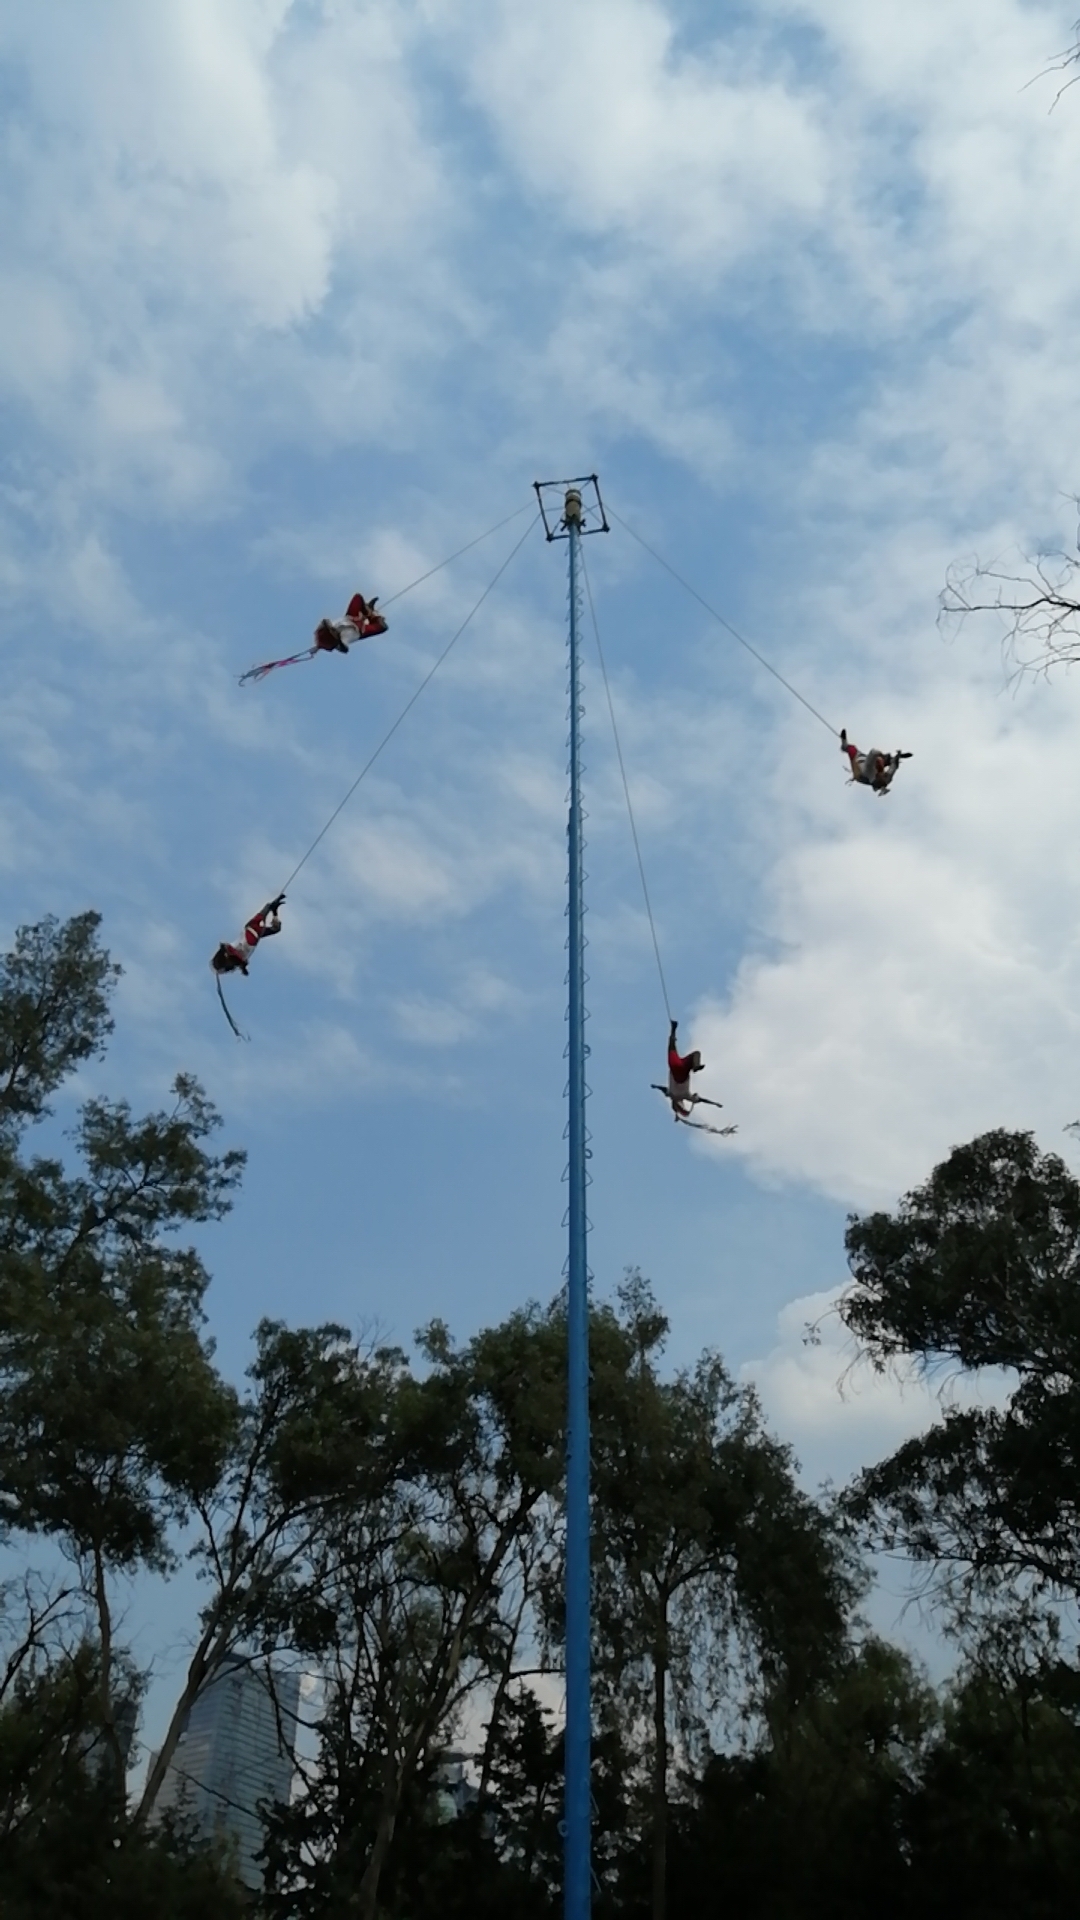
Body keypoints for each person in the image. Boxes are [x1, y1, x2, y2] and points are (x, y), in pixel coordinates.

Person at [211, 895, 285, 976]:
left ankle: (274, 908)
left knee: (265, 919)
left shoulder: (234, 955)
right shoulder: (233, 954)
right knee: (271, 924)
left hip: (251, 937)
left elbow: (235, 957)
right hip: (248, 929)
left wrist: (242, 967)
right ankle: (274, 910)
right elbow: (235, 958)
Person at [313, 592, 388, 656]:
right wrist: (338, 642)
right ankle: (372, 615)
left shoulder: (330, 627)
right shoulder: (342, 639)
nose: (334, 631)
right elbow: (344, 649)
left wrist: (317, 647)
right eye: (334, 633)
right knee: (381, 627)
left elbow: (324, 622)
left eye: (332, 630)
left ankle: (368, 611)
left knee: (358, 597)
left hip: (351, 617)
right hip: (360, 630)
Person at [840, 729, 911, 795]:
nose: (884, 774)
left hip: (859, 764)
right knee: (884, 761)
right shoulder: (887, 778)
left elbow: (873, 752)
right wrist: (897, 757)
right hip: (868, 763)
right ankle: (886, 759)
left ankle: (844, 746)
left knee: (852, 749)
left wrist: (882, 755)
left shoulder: (869, 770)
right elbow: (894, 766)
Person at [667, 1018, 705, 1118]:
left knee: (696, 1053)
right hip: (677, 1067)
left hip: (679, 1070)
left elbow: (698, 1100)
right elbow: (664, 1090)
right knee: (672, 1045)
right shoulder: (673, 1094)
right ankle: (673, 1028)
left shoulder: (682, 1096)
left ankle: (695, 1067)